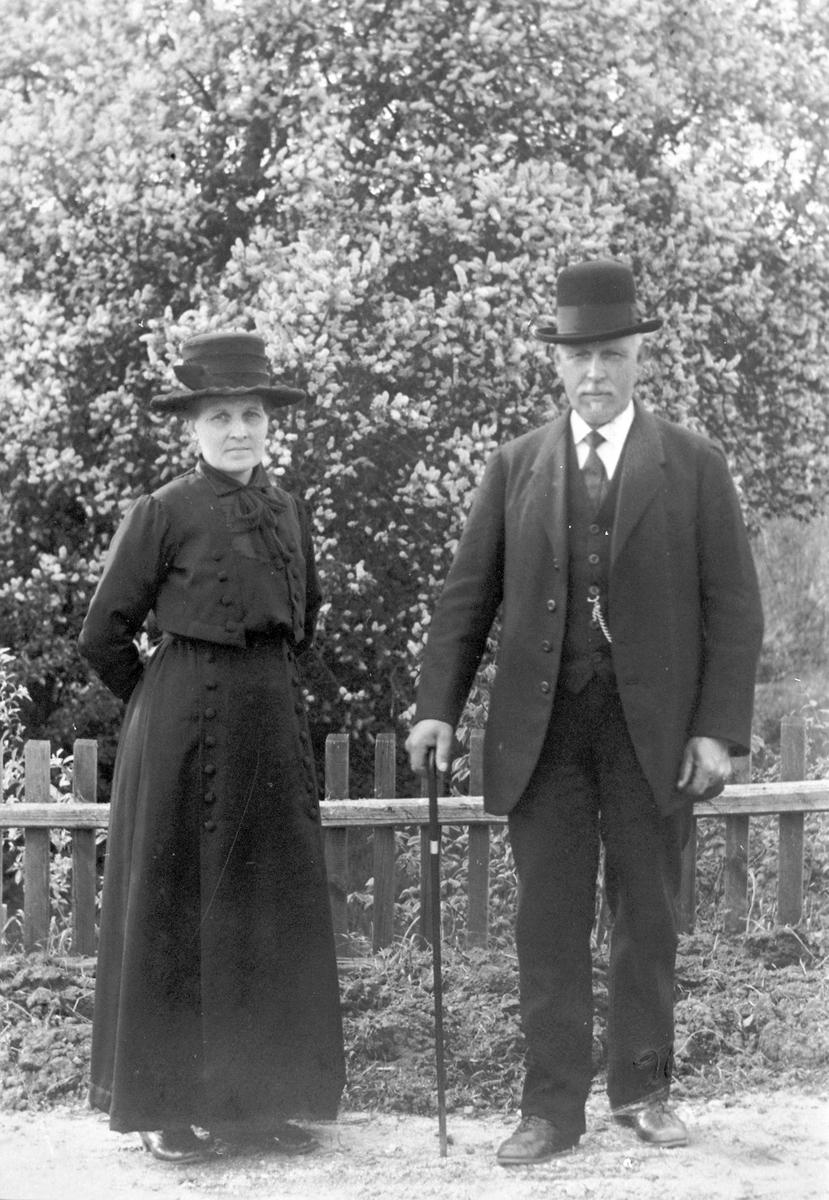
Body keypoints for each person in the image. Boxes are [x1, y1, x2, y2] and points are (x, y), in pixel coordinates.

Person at [406, 260, 763, 1164]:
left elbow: (733, 607)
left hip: (654, 737)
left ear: (637, 357)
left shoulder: (693, 465)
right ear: (556, 365)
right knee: (547, 922)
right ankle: (549, 1110)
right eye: (578, 357)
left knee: (648, 917)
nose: (594, 372)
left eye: (610, 354)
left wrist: (715, 730)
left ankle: (644, 1090)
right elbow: (466, 598)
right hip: (544, 734)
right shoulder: (515, 466)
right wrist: (436, 708)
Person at [79, 331, 345, 1163]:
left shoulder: (289, 510)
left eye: (252, 415)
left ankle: (256, 1106)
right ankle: (167, 1109)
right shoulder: (163, 510)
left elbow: (306, 618)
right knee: (181, 909)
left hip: (269, 724)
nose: (238, 430)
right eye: (221, 416)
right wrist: (157, 705)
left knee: (265, 907)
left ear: (269, 424)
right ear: (193, 426)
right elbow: (102, 634)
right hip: (185, 733)